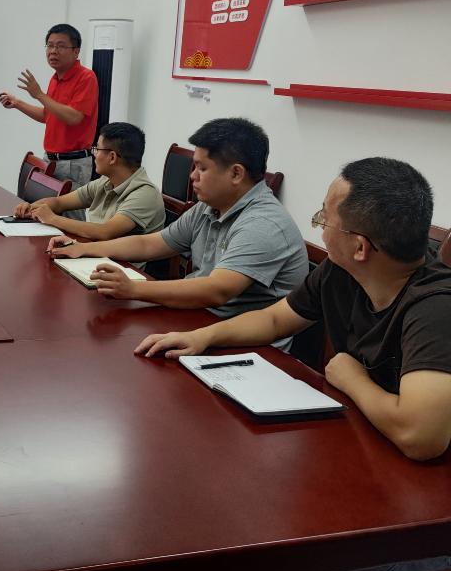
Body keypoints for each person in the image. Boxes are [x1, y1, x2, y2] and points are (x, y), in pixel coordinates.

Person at [135, 157, 451, 464]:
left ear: (360, 247)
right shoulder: (342, 271)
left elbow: (420, 436)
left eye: (324, 219)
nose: (321, 230)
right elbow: (274, 319)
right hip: (360, 438)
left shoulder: (436, 307)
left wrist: (353, 379)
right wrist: (204, 336)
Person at [49, 118, 308, 321]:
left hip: (242, 345)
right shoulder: (208, 207)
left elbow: (216, 290)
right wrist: (83, 248)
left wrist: (133, 289)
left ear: (236, 174)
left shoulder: (263, 224)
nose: (192, 176)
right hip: (196, 317)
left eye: (202, 168)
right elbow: (149, 244)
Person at [0, 23, 98, 219]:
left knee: (71, 218)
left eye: (60, 46)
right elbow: (47, 115)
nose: (53, 51)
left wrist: (39, 94)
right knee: (46, 218)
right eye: (50, 45)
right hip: (51, 159)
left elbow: (74, 117)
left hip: (73, 163)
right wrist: (17, 103)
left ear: (76, 51)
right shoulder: (55, 78)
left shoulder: (86, 77)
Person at [12, 122, 165, 242]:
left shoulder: (144, 193)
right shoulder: (105, 181)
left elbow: (105, 232)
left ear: (112, 157)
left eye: (97, 149)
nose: (94, 155)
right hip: (94, 252)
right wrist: (32, 208)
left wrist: (52, 219)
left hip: (121, 266)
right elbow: (59, 202)